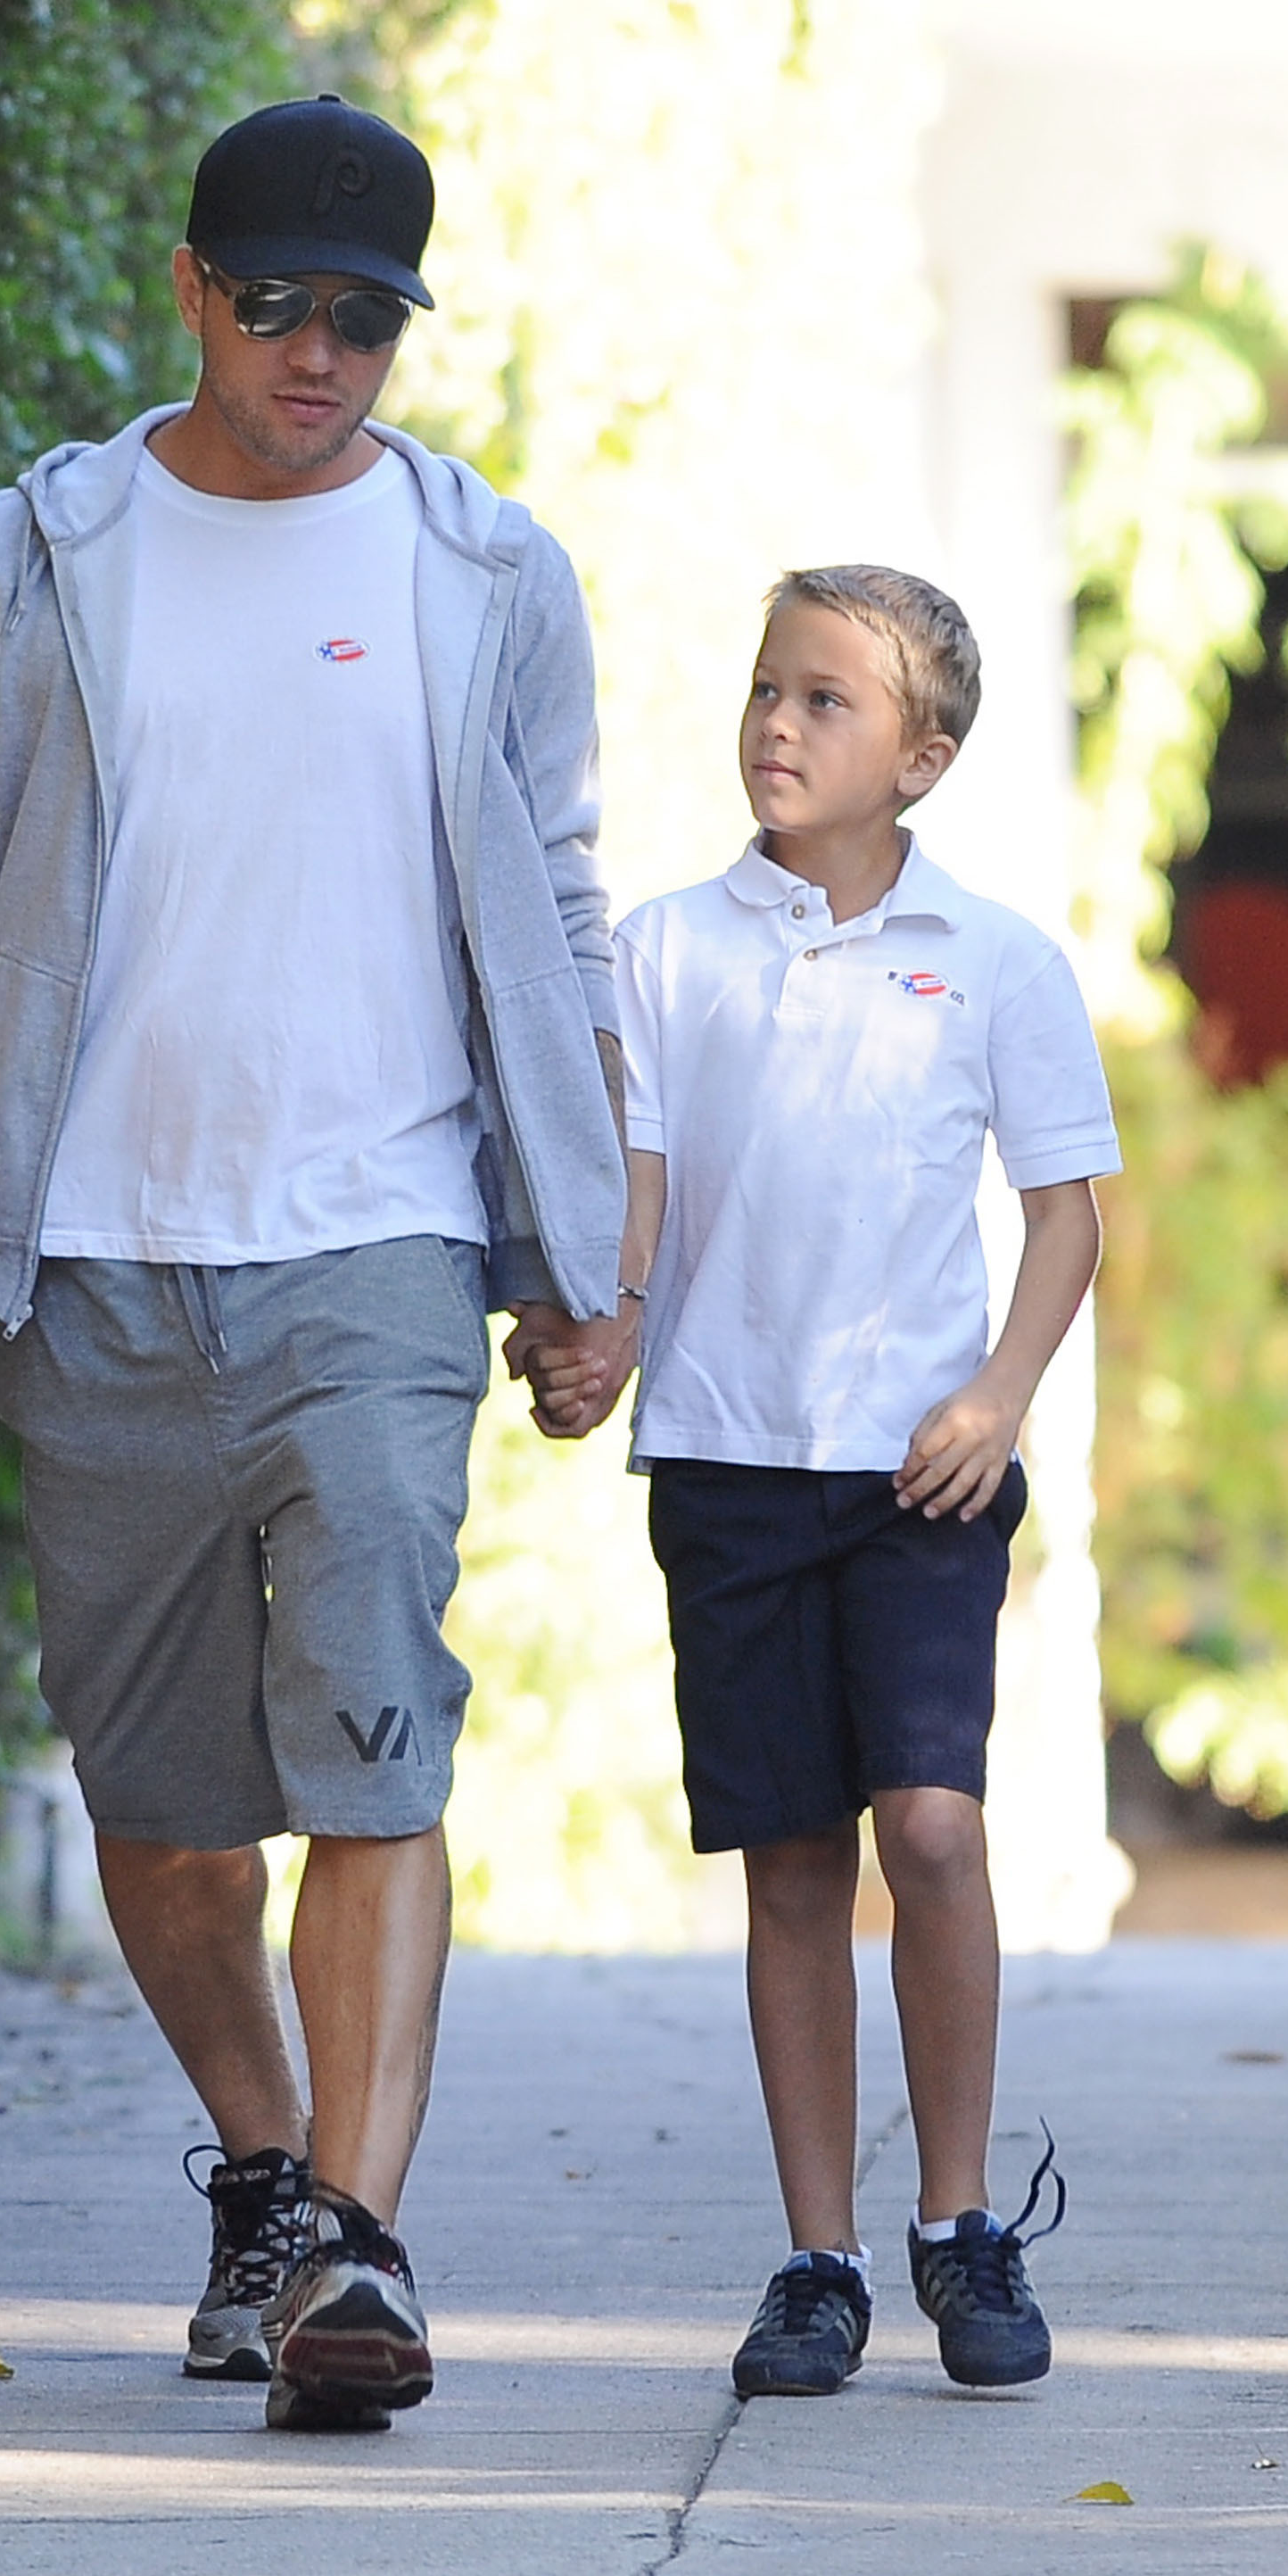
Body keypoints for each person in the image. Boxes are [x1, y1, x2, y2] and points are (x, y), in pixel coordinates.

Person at [0, 95, 631, 2434]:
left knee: (378, 1748)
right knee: (166, 1810)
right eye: (278, 303)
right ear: (190, 287)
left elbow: (561, 916)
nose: (320, 355)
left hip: (379, 1252)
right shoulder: (35, 557)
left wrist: (587, 1239)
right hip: (90, 1261)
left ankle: (359, 2251)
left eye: (368, 320)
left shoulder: (489, 574)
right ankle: (268, 2173)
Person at [525, 566, 1119, 2398]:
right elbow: (637, 1183)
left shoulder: (996, 960)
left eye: (826, 701)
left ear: (920, 758)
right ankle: (817, 2263)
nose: (776, 724)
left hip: (923, 1477)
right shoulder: (662, 950)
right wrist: (602, 1335)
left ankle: (960, 2223)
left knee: (929, 1828)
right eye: (766, 689)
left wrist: (998, 1398)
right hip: (725, 1458)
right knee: (790, 1859)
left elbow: (1065, 1215)